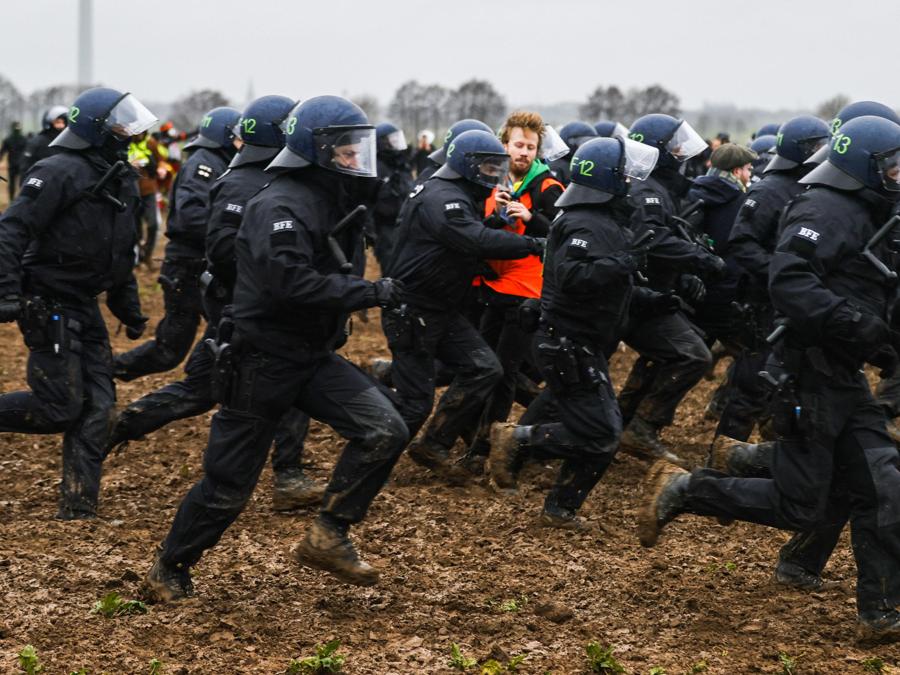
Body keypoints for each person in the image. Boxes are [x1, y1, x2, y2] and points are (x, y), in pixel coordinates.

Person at [640, 115, 900, 644]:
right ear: (863, 166)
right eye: (892, 167)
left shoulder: (869, 211)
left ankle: (882, 613)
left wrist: (883, 344)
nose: (898, 177)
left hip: (843, 375)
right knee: (802, 504)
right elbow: (790, 282)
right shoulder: (825, 208)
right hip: (807, 375)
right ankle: (689, 488)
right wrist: (857, 325)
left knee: (883, 486)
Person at [144, 95, 409, 600]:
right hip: (259, 360)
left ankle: (328, 534)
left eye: (358, 149)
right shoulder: (278, 204)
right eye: (347, 150)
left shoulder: (328, 197)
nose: (356, 159)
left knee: (385, 430)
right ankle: (169, 567)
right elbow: (290, 283)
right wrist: (368, 292)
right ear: (317, 150)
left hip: (310, 356)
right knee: (227, 489)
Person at [107, 94, 322, 510]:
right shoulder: (212, 167)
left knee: (203, 384)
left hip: (230, 291)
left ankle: (120, 421)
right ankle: (110, 385)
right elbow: (198, 223)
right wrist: (252, 233)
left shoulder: (250, 173)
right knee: (178, 354)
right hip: (203, 277)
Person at [489, 135, 663, 527]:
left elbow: (606, 285)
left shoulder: (596, 219)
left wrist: (652, 299)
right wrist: (625, 261)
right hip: (568, 343)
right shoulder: (586, 222)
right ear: (606, 178)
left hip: (576, 342)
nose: (629, 181)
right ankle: (519, 442)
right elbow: (572, 276)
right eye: (623, 174)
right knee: (602, 435)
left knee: (601, 432)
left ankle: (559, 508)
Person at [0, 87, 155, 519]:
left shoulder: (121, 177)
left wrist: (128, 308)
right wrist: (6, 291)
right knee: (59, 407)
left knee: (100, 409)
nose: (128, 132)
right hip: (46, 300)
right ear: (95, 128)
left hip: (84, 304)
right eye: (119, 125)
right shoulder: (56, 170)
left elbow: (121, 252)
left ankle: (78, 509)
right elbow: (10, 231)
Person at [382, 129, 543, 482]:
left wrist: (495, 221)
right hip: (414, 309)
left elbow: (464, 234)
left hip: (440, 308)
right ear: (466, 165)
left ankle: (434, 444)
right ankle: (369, 460)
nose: (493, 175)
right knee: (415, 403)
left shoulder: (453, 194)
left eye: (496, 168)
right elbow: (472, 239)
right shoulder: (444, 197)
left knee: (485, 368)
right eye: (487, 168)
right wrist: (534, 244)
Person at [616, 113, 725, 464]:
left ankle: (620, 420)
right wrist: (699, 258)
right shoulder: (646, 190)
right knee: (694, 356)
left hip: (655, 292)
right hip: (639, 296)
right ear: (657, 151)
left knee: (669, 352)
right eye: (674, 146)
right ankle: (642, 427)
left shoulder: (659, 187)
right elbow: (652, 240)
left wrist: (682, 277)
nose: (681, 152)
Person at [715, 115, 830, 444]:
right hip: (764, 302)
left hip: (795, 301)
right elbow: (742, 243)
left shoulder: (809, 186)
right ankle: (721, 456)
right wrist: (781, 273)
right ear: (799, 150)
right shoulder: (769, 190)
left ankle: (770, 451)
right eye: (817, 147)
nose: (823, 153)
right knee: (751, 385)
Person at [462, 111, 564, 473]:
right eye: (518, 145)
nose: (524, 152)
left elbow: (564, 234)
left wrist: (532, 218)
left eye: (531, 147)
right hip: (491, 286)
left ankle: (487, 447)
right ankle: (471, 435)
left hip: (527, 293)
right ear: (504, 145)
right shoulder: (490, 179)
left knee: (504, 371)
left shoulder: (549, 187)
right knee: (482, 365)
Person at [114, 106, 241, 381]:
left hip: (204, 264)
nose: (243, 142)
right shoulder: (204, 164)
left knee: (227, 332)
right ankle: (106, 371)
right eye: (239, 136)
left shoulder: (221, 162)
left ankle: (202, 381)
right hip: (187, 267)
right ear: (225, 136)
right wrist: (230, 234)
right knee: (170, 350)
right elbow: (191, 216)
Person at [372, 122, 414, 269]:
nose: (397, 142)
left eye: (398, 138)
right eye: (393, 139)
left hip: (406, 225)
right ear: (382, 143)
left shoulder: (402, 164)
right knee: (392, 267)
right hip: (386, 228)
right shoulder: (376, 168)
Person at [128, 130, 165, 266]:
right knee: (134, 226)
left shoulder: (151, 142)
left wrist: (161, 169)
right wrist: (130, 164)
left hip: (149, 189)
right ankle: (137, 256)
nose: (139, 134)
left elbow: (161, 160)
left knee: (153, 224)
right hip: (131, 191)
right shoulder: (125, 142)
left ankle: (148, 254)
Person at [21, 106, 67, 175]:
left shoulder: (68, 142)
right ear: (49, 123)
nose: (61, 126)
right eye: (58, 122)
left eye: (64, 123)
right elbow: (25, 166)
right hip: (42, 178)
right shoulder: (37, 142)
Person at [0, 121, 27, 200]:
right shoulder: (24, 139)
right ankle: (22, 199)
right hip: (22, 164)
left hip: (13, 163)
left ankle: (12, 199)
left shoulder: (8, 139)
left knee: (12, 183)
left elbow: (2, 152)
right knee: (23, 182)